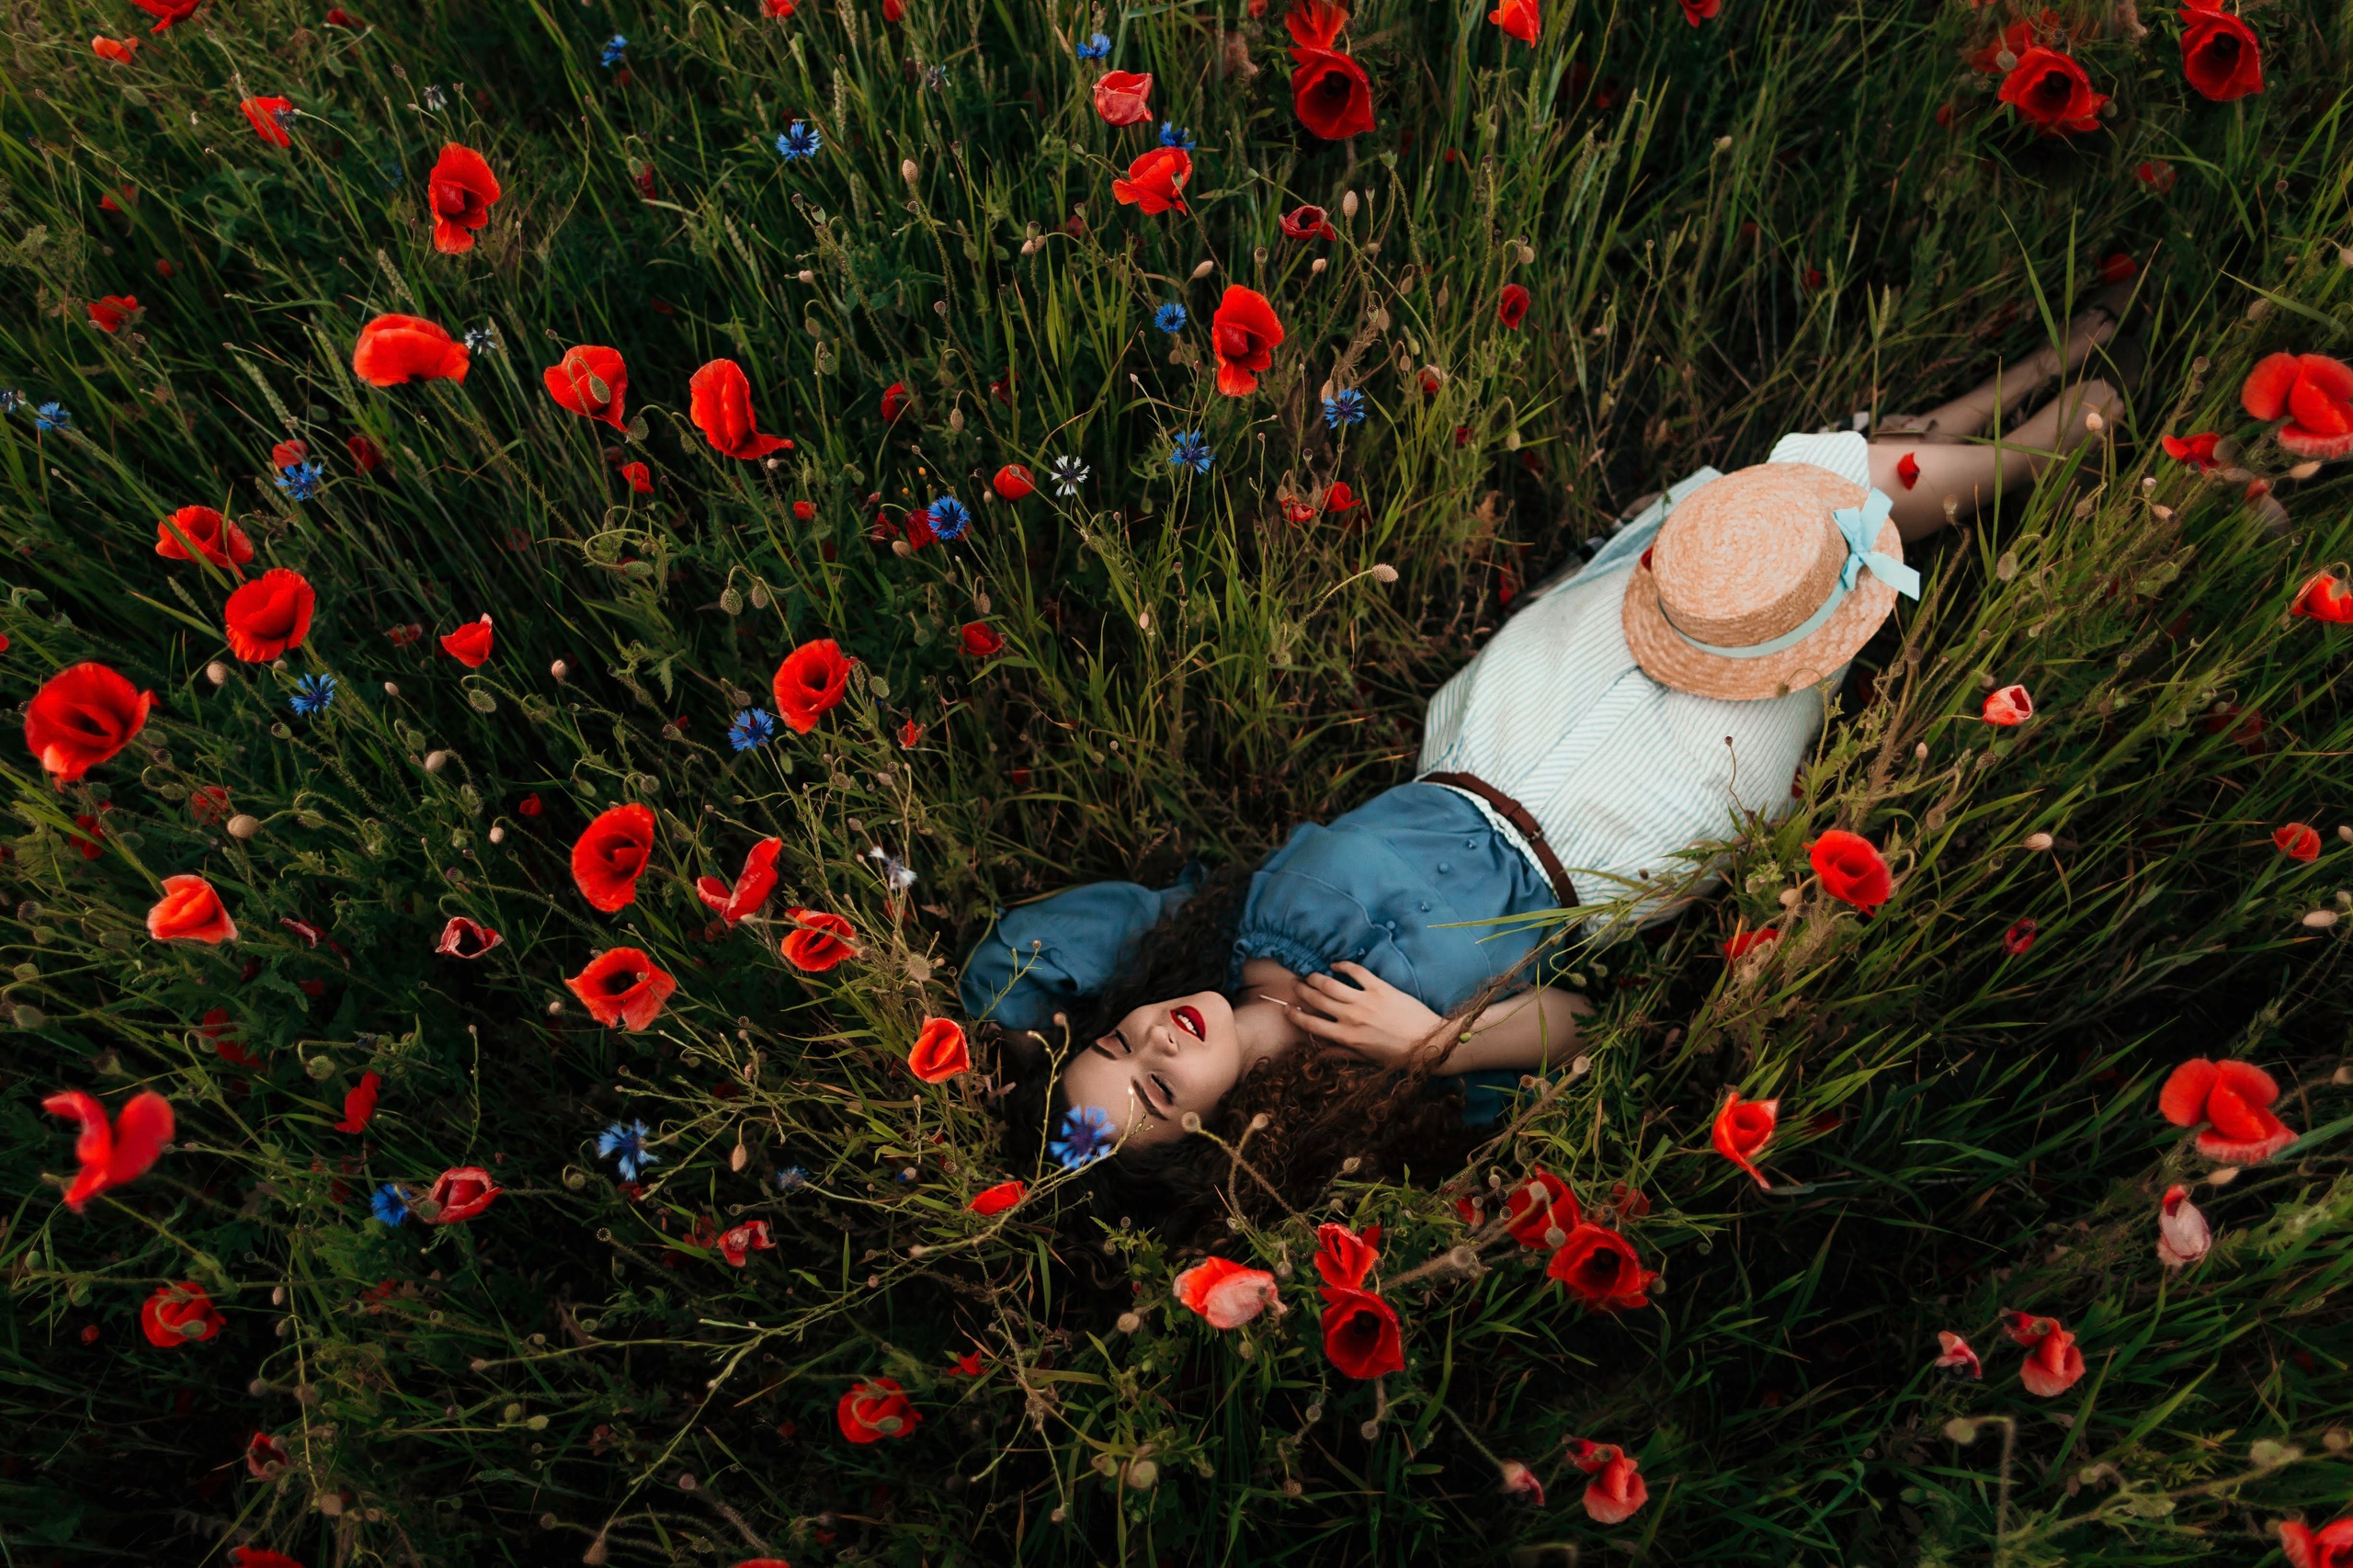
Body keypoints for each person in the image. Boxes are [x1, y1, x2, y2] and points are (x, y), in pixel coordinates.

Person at [963, 301, 2133, 1237]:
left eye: (1122, 1044)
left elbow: (1045, 939)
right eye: (1162, 1092)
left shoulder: (1215, 932)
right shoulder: (1378, 1088)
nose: (1159, 1041)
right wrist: (1425, 1040)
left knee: (1725, 543)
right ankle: (2042, 437)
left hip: (1504, 728)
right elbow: (1580, 1022)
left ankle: (1961, 422)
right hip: (1632, 816)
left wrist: (1008, 1048)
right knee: (1793, 589)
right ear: (1230, 1139)